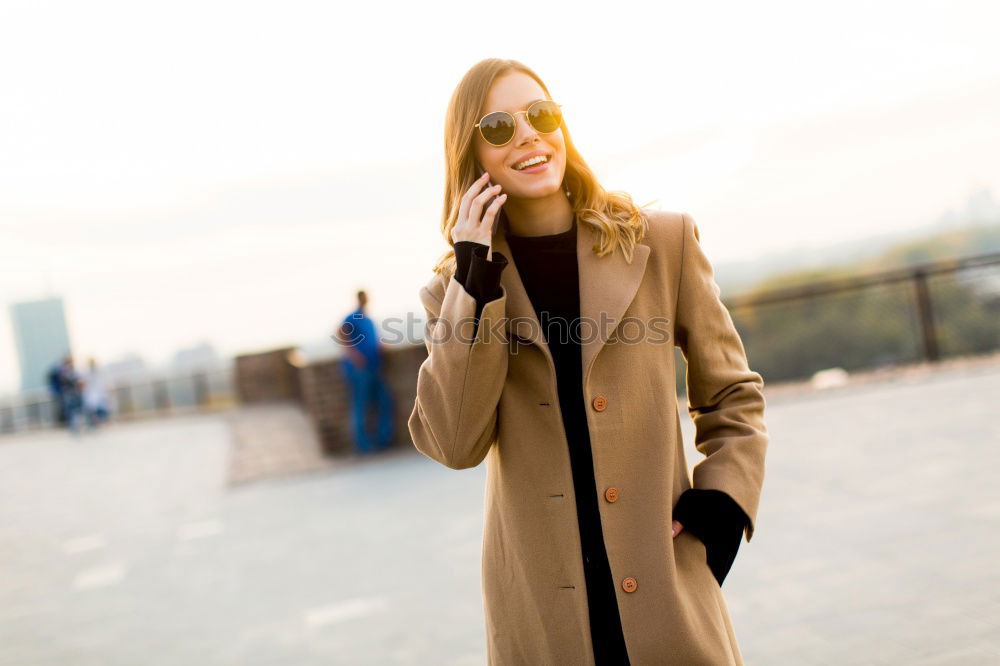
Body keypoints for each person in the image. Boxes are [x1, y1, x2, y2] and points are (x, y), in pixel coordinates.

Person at [408, 59, 769, 665]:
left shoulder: (663, 242)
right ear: (470, 155)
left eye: (541, 115)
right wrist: (474, 278)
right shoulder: (454, 292)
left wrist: (724, 509)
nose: (527, 134)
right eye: (499, 127)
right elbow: (454, 443)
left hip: (666, 591)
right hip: (542, 618)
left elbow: (733, 394)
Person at [336, 290, 395, 454]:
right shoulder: (355, 316)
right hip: (359, 368)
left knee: (384, 401)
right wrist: (354, 355)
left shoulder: (367, 318)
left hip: (374, 367)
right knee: (360, 405)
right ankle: (363, 445)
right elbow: (341, 333)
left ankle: (383, 439)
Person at [81, 357, 111, 429]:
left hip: (98, 393)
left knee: (100, 408)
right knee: (93, 409)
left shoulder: (99, 371)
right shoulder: (87, 372)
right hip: (92, 393)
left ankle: (99, 421)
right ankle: (95, 423)